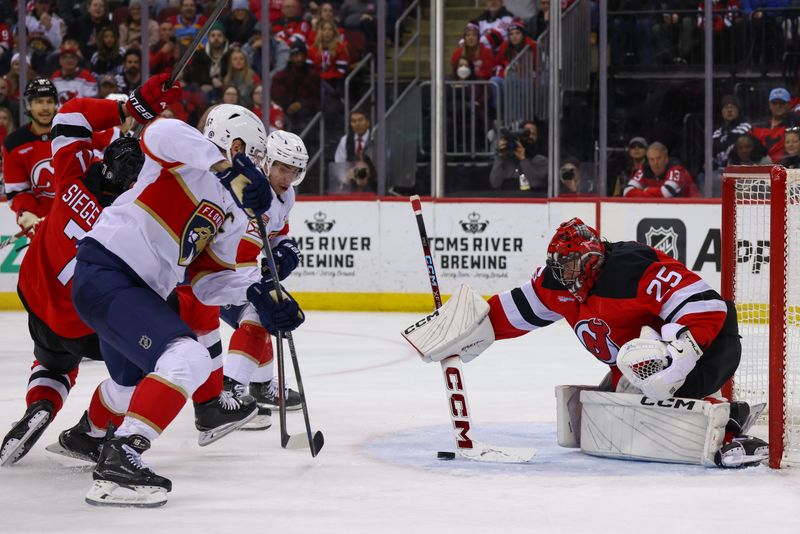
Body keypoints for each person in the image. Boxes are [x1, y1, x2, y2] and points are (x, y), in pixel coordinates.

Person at [70, 100, 304, 506]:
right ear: (232, 145)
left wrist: (255, 292)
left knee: (129, 388)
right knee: (188, 359)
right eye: (253, 154)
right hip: (107, 270)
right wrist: (227, 169)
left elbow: (208, 281)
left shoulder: (232, 210)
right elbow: (158, 132)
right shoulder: (181, 159)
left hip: (135, 292)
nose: (258, 164)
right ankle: (121, 457)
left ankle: (84, 435)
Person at [404, 217, 769, 468]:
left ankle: (729, 429)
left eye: (573, 265)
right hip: (648, 362)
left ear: (594, 259)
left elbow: (706, 306)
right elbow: (511, 314)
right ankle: (701, 402)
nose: (565, 275)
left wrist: (680, 356)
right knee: (607, 409)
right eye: (560, 266)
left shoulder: (632, 269)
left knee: (641, 365)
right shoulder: (556, 284)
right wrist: (462, 330)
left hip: (710, 345)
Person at [0, 88, 153, 467]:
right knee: (152, 355)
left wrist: (127, 105)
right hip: (86, 324)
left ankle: (41, 404)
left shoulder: (71, 180)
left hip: (39, 296)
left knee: (51, 363)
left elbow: (71, 118)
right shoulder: (129, 223)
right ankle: (94, 428)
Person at [2, 79, 58, 237]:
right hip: (43, 227)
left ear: (56, 105)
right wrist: (28, 216)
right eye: (39, 102)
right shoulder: (15, 144)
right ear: (28, 105)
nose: (45, 108)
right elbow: (19, 193)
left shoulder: (72, 133)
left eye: (49, 101)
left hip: (80, 221)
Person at [271, 40, 321, 133]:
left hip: (307, 114)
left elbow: (317, 99)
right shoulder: (280, 76)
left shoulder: (313, 75)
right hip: (285, 113)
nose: (299, 59)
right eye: (296, 56)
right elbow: (276, 98)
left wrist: (301, 104)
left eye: (302, 56)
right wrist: (288, 106)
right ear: (290, 57)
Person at [623, 141, 699, 197]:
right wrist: (650, 193)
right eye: (651, 159)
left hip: (691, 211)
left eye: (658, 158)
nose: (655, 163)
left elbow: (667, 192)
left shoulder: (676, 169)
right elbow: (627, 191)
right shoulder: (645, 170)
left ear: (666, 159)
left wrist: (647, 190)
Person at [489, 119, 547, 192]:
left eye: (533, 134)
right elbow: (495, 183)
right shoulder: (506, 160)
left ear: (537, 138)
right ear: (519, 135)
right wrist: (500, 156)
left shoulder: (541, 160)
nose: (530, 137)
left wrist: (523, 159)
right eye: (526, 134)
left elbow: (536, 183)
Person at [751, 87, 800, 163]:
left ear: (789, 104)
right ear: (769, 104)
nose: (778, 106)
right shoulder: (758, 126)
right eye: (775, 103)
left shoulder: (796, 123)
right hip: (761, 166)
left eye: (782, 103)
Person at [712, 95, 751, 170]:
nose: (729, 110)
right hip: (717, 172)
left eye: (732, 107)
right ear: (722, 111)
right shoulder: (717, 133)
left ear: (738, 110)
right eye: (726, 107)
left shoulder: (745, 127)